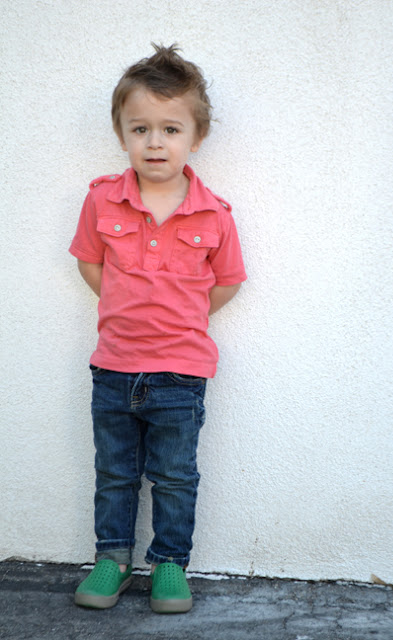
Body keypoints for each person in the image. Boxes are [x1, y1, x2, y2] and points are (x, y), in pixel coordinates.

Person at [69, 43, 246, 614]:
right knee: (115, 473)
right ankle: (113, 559)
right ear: (121, 133)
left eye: (171, 129)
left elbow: (227, 282)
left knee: (174, 476)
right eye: (140, 128)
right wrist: (128, 305)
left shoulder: (214, 214)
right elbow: (90, 263)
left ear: (196, 137)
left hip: (180, 373)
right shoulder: (103, 200)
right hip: (113, 368)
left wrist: (179, 315)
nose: (154, 142)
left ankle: (170, 563)